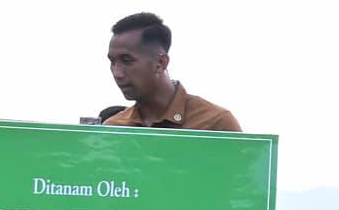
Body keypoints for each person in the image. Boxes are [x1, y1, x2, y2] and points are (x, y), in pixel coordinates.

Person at [100, 12, 244, 132]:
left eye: (127, 60)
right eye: (112, 62)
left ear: (161, 62)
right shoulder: (114, 128)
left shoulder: (215, 124)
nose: (117, 73)